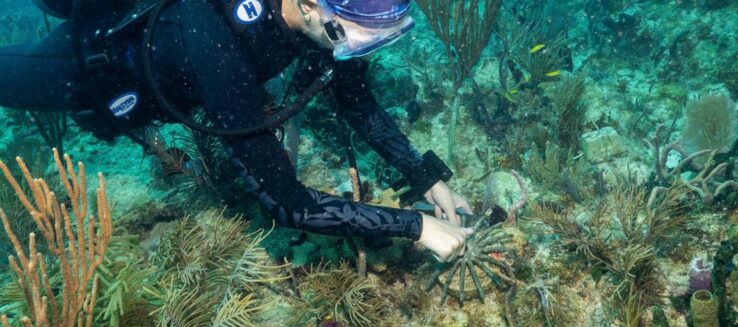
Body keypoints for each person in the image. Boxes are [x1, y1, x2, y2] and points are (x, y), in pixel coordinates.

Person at [0, 0, 473, 262]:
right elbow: (287, 202)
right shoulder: (216, 36)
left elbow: (353, 99)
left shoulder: (324, 23)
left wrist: (425, 176)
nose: (359, 51)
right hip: (87, 71)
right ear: (310, 6)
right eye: (359, 37)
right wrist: (416, 226)